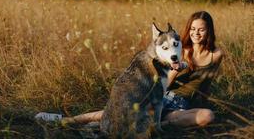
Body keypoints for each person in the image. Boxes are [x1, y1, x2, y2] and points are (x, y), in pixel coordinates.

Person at [35, 11, 223, 128]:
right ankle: (64, 120)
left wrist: (205, 101)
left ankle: (154, 125)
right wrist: (176, 67)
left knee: (207, 115)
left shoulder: (216, 54)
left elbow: (206, 82)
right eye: (192, 29)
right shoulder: (178, 48)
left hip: (183, 106)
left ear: (209, 31)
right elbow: (165, 83)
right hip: (163, 96)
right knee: (113, 112)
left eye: (201, 30)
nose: (196, 34)